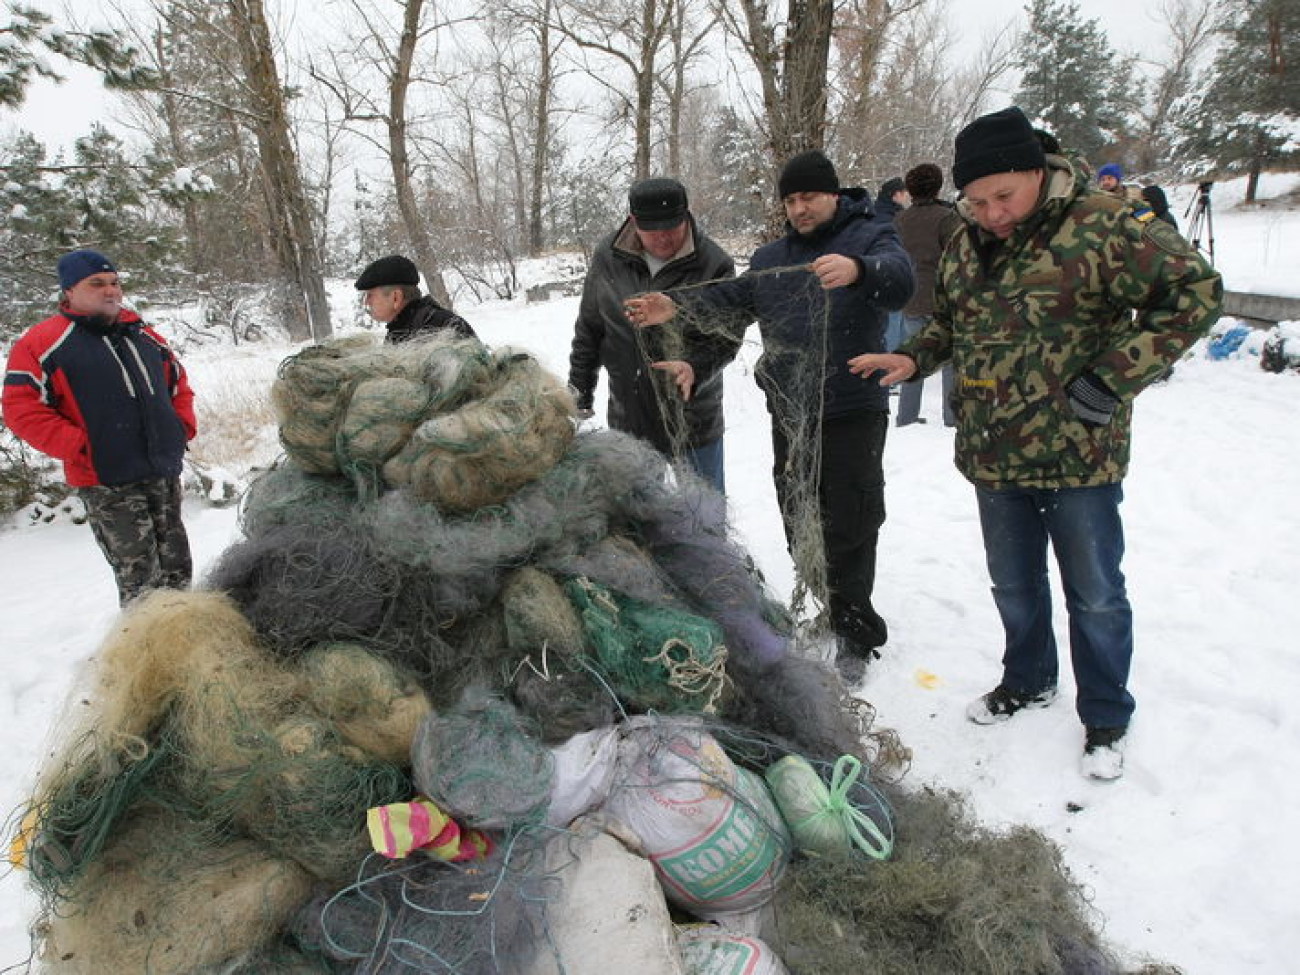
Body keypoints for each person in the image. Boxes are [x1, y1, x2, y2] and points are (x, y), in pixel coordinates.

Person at [847, 106, 1221, 779]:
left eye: (1003, 197)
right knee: (1014, 584)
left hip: (1079, 450)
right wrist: (914, 360)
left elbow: (1194, 293)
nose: (990, 213)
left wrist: (1113, 378)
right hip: (995, 449)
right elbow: (953, 327)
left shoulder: (1102, 223)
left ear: (1036, 172)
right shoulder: (967, 241)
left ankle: (1106, 715)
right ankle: (1028, 677)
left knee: (1096, 593)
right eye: (977, 200)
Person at [626, 150, 915, 684]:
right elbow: (732, 299)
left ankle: (855, 631)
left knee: (850, 519)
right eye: (791, 199)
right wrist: (675, 306)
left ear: (833, 194)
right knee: (799, 515)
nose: (800, 208)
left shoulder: (869, 235)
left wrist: (859, 271)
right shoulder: (770, 257)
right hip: (790, 410)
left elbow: (900, 282)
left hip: (851, 407)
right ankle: (825, 604)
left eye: (809, 196)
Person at [3, 249, 198, 606]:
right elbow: (20, 408)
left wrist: (180, 426)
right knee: (140, 579)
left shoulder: (143, 334)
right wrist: (83, 445)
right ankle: (147, 654)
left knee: (177, 567)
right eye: (97, 284)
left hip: (160, 469)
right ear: (69, 291)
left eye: (114, 283)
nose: (110, 291)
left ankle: (184, 642)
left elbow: (178, 384)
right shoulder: (43, 343)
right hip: (107, 479)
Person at [568, 177, 738, 492]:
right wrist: (579, 391)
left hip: (694, 419)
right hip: (630, 416)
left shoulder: (714, 263)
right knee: (637, 522)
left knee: (706, 522)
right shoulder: (608, 256)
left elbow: (726, 337)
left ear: (686, 216)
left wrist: (696, 369)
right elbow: (590, 328)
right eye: (651, 230)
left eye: (671, 228)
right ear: (633, 221)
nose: (662, 239)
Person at [893, 162, 960, 428]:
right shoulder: (947, 218)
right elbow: (958, 257)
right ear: (938, 186)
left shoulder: (900, 220)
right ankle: (952, 417)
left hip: (911, 297)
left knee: (913, 357)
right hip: (941, 299)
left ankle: (906, 417)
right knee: (949, 360)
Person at [354, 255, 476, 343]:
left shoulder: (443, 329)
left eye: (370, 295)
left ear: (396, 297)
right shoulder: (401, 330)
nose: (366, 302)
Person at [875, 176, 910, 351]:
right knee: (892, 338)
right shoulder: (893, 219)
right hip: (889, 279)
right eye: (905, 194)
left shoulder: (875, 214)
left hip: (882, 280)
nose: (907, 198)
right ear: (896, 195)